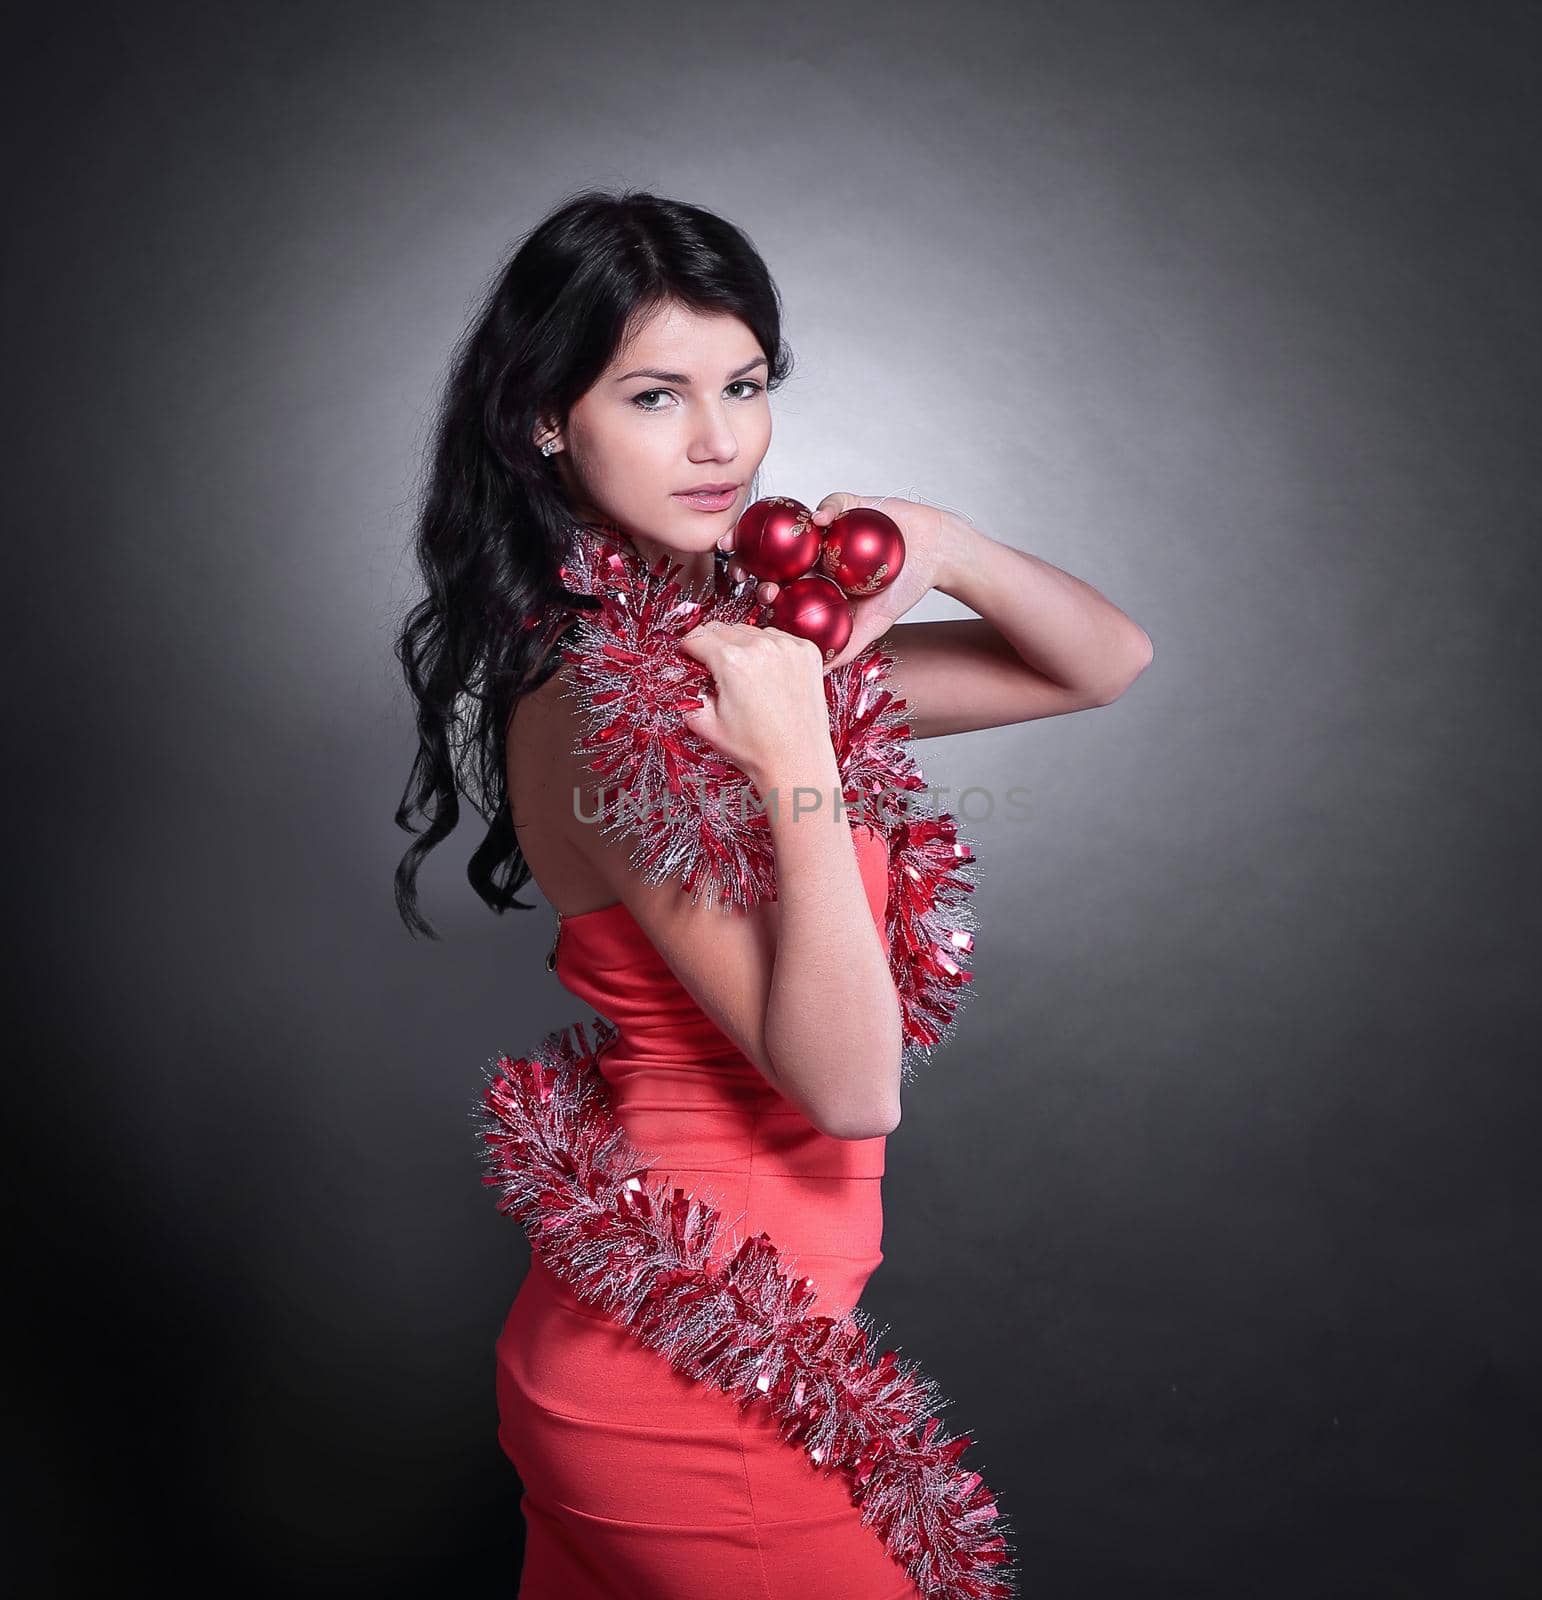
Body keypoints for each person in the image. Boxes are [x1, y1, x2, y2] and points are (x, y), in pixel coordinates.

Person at [394, 187, 1152, 1599]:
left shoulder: (737, 655)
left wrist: (942, 540)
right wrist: (800, 758)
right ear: (549, 419)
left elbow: (1097, 661)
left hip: (693, 1353)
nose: (720, 440)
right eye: (655, 393)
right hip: (689, 1390)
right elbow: (851, 1088)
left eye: (743, 385)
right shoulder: (602, 706)